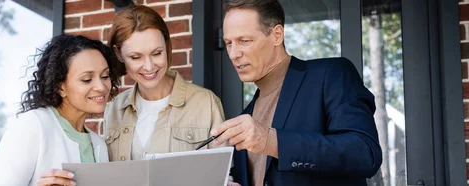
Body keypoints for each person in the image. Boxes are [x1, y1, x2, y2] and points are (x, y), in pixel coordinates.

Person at [210, 0, 382, 186]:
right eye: (228, 43)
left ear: (277, 35)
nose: (234, 54)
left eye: (245, 41)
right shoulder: (245, 117)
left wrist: (273, 141)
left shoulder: (330, 75)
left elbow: (365, 153)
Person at [0, 34, 122, 186]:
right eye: (87, 79)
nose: (101, 87)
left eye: (105, 76)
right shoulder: (32, 126)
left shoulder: (99, 145)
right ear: (60, 87)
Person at [104, 5, 226, 162]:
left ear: (167, 46)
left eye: (156, 53)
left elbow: (222, 172)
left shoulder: (205, 103)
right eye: (136, 57)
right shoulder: (114, 108)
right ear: (119, 53)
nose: (149, 66)